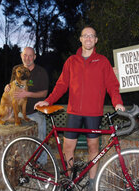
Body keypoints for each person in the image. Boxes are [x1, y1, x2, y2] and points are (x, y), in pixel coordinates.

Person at [34, 26, 125, 190]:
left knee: (93, 148)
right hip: (73, 112)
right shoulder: (71, 61)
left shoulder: (103, 61)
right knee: (68, 147)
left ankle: (92, 182)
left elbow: (112, 85)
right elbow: (61, 85)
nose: (88, 38)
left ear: (96, 40)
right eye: (85, 35)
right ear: (81, 39)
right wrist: (48, 100)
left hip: (93, 113)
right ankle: (69, 180)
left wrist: (117, 102)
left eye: (92, 36)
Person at [5, 47, 49, 146]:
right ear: (21, 56)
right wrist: (7, 87)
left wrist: (27, 94)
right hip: (18, 112)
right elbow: (12, 86)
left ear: (34, 57)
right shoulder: (16, 69)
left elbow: (44, 93)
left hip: (36, 112)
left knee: (40, 137)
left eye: (30, 56)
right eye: (25, 55)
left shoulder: (41, 72)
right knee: (13, 138)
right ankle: (16, 160)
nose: (27, 58)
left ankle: (41, 161)